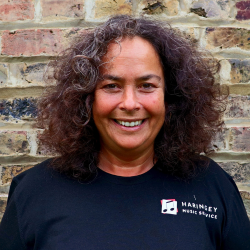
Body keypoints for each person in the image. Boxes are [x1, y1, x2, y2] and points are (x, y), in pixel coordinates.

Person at [0, 15, 249, 250]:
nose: (129, 104)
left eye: (146, 86)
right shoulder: (34, 191)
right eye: (111, 86)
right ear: (87, 99)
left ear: (171, 98)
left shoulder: (212, 186)